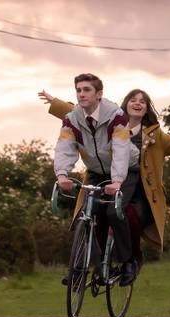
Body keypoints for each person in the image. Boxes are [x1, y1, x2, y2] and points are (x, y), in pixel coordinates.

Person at [42, 85, 170, 286]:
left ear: (146, 109)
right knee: (93, 216)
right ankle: (94, 265)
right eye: (133, 100)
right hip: (107, 183)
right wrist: (55, 103)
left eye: (142, 101)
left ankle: (131, 261)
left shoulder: (156, 137)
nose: (137, 103)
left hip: (139, 192)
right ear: (125, 105)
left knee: (126, 215)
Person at [53, 73, 142, 286]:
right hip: (96, 171)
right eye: (78, 90)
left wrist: (118, 180)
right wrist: (62, 174)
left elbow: (121, 151)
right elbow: (65, 147)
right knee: (87, 214)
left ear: (99, 94)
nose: (81, 94)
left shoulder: (116, 116)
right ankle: (84, 267)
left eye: (87, 90)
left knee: (113, 212)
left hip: (125, 170)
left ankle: (128, 262)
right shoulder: (71, 118)